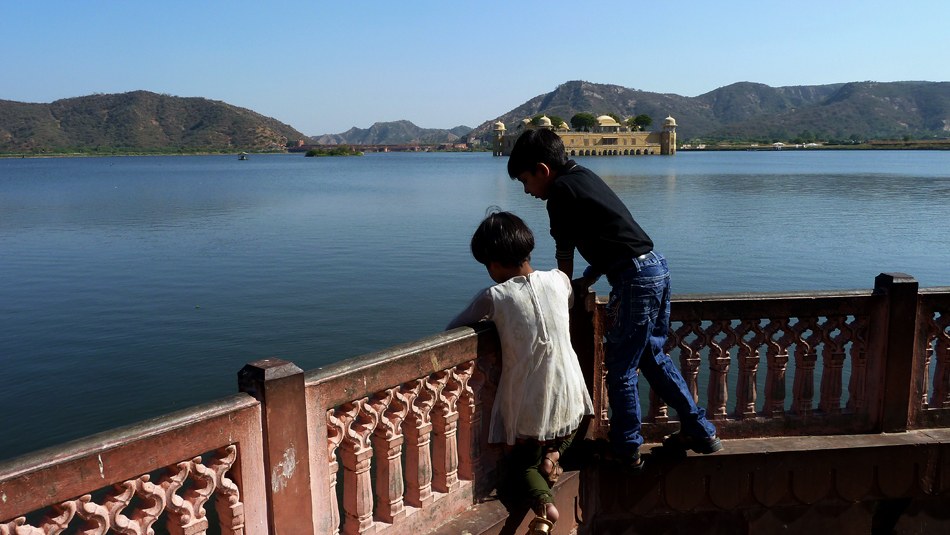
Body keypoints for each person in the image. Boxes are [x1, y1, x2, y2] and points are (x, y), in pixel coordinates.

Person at [506, 128, 721, 469]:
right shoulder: (584, 176)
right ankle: (701, 431)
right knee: (653, 357)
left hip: (634, 279)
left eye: (525, 181)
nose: (527, 191)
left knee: (621, 370)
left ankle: (625, 449)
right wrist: (589, 278)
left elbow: (565, 246)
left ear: (543, 170)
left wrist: (564, 288)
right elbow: (610, 236)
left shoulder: (559, 191)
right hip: (655, 267)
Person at [446, 210, 593, 534]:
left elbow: (452, 328)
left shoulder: (494, 296)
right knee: (574, 426)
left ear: (493, 263)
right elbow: (564, 303)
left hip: (527, 396)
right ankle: (554, 457)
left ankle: (545, 506)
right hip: (568, 385)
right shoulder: (558, 279)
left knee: (523, 465)